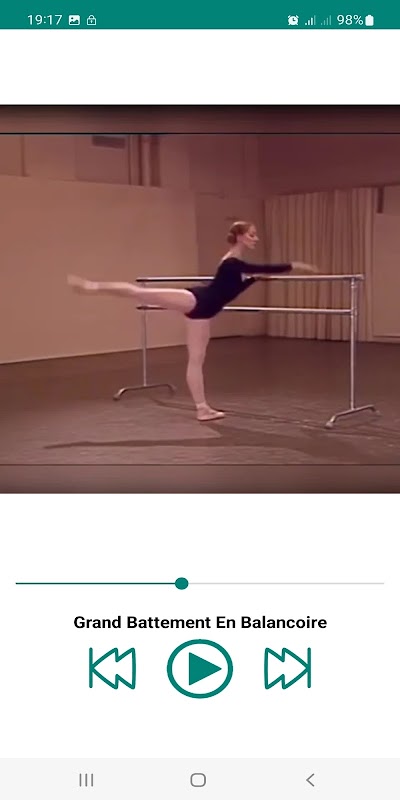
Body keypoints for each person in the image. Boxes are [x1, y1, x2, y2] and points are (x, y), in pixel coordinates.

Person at [68, 220, 318, 421]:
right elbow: (262, 268)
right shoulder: (233, 262)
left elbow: (241, 283)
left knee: (196, 360)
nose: (256, 238)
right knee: (141, 292)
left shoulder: (238, 266)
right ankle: (92, 287)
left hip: (204, 311)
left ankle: (202, 408)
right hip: (197, 299)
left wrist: (255, 279)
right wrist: (293, 265)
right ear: (241, 237)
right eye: (252, 235)